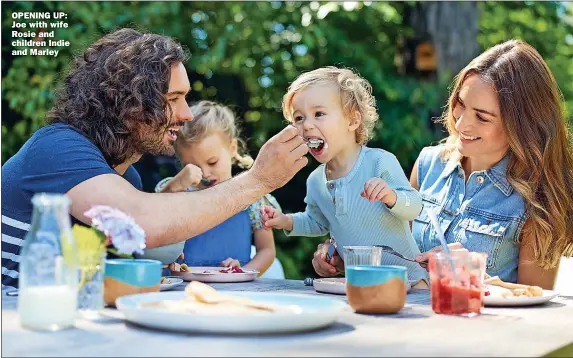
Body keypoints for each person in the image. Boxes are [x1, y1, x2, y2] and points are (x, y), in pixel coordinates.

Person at [1, 28, 308, 288]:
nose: (186, 114)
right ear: (128, 102)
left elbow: (108, 268)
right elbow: (141, 220)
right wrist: (259, 179)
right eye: (173, 99)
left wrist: (162, 267)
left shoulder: (126, 178)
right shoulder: (58, 148)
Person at [410, 39, 573, 289]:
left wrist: (471, 273)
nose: (462, 124)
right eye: (460, 105)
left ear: (521, 126)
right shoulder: (428, 165)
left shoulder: (538, 198)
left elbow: (536, 298)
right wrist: (340, 254)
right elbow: (395, 257)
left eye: (482, 117)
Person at [261, 66, 428, 286]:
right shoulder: (315, 180)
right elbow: (317, 222)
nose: (307, 125)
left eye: (319, 114)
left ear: (352, 121)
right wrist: (286, 221)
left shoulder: (379, 161)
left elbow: (415, 206)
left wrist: (391, 197)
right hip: (359, 283)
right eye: (299, 118)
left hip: (409, 282)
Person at [155, 101, 281, 275]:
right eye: (192, 166)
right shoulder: (175, 190)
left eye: (212, 162)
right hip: (180, 290)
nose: (205, 173)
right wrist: (175, 186)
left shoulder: (253, 198)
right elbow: (151, 220)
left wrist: (242, 272)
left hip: (234, 292)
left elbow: (267, 251)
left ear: (232, 148)